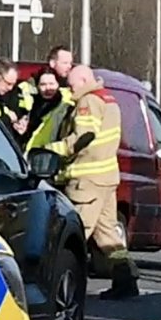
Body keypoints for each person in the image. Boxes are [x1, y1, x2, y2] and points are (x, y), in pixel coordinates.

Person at [53, 65, 133, 299]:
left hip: (87, 179)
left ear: (84, 80)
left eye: (72, 84)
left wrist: (54, 150)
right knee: (109, 234)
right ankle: (125, 278)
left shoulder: (88, 102)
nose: (70, 88)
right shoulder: (108, 98)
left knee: (74, 232)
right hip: (107, 176)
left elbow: (83, 136)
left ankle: (58, 284)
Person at [0, 57, 36, 141]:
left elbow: (18, 113)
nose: (10, 88)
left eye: (13, 84)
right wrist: (8, 119)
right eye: (9, 84)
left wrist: (20, 124)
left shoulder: (12, 92)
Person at [24, 68, 68, 148]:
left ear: (58, 84)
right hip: (33, 152)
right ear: (37, 86)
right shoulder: (32, 105)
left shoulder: (65, 106)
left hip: (52, 152)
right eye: (43, 84)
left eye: (51, 84)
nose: (48, 88)